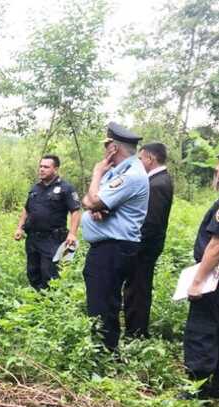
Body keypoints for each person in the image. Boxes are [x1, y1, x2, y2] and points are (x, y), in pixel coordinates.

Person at [80, 122, 149, 352]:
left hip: (114, 248)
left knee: (104, 304)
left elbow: (93, 200)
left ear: (114, 149)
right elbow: (88, 201)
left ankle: (105, 354)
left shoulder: (131, 175)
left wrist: (96, 174)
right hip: (108, 247)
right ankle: (103, 350)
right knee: (100, 300)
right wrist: (95, 203)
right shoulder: (120, 172)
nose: (104, 151)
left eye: (107, 145)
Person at [123, 143, 173, 338]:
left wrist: (135, 247)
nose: (139, 162)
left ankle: (136, 333)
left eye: (141, 158)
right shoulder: (158, 180)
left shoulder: (157, 184)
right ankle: (135, 330)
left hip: (144, 248)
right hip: (145, 247)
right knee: (137, 288)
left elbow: (150, 222)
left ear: (150, 159)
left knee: (138, 290)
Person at [184, 152, 219, 400]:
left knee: (202, 330)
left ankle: (197, 389)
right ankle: (218, 386)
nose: (217, 169)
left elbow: (217, 246)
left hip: (215, 280)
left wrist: (197, 282)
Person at [14, 155, 81, 290]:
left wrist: (72, 234)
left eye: (46, 167)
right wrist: (19, 228)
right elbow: (26, 209)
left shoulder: (65, 188)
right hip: (33, 239)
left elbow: (76, 211)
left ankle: (51, 304)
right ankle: (38, 301)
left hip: (52, 239)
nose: (42, 169)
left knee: (49, 273)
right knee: (33, 272)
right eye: (40, 166)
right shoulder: (35, 188)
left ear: (55, 169)